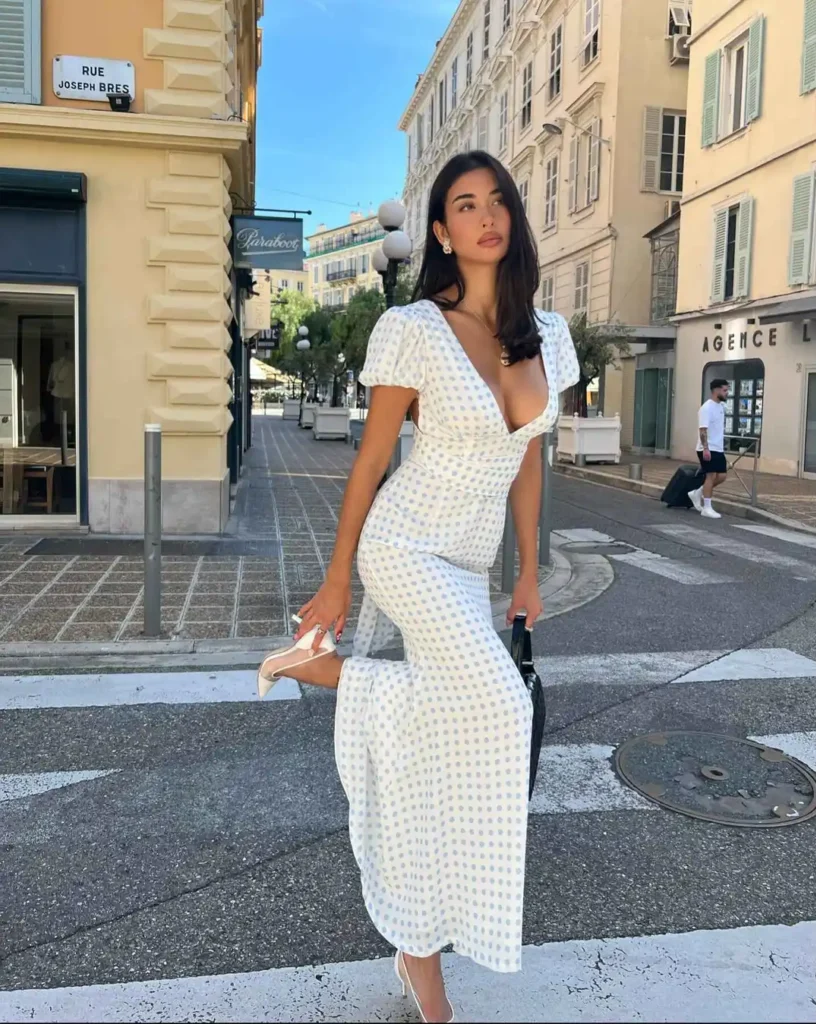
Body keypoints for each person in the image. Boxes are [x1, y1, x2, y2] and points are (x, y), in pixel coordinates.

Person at [256, 150, 579, 1023]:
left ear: (512, 218)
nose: (485, 216)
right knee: (503, 711)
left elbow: (528, 461)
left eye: (497, 201)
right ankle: (325, 667)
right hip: (406, 544)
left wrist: (527, 572)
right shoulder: (413, 327)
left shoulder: (547, 334)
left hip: (469, 563)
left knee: (449, 735)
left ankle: (417, 944)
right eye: (464, 205)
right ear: (440, 231)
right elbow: (368, 463)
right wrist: (334, 585)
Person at [690, 378, 729, 519]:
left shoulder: (720, 407)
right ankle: (706, 507)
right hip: (707, 448)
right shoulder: (706, 408)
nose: (727, 393)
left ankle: (698, 493)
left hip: (718, 448)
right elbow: (703, 430)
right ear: (716, 390)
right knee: (710, 476)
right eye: (725, 390)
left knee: (722, 476)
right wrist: (705, 448)